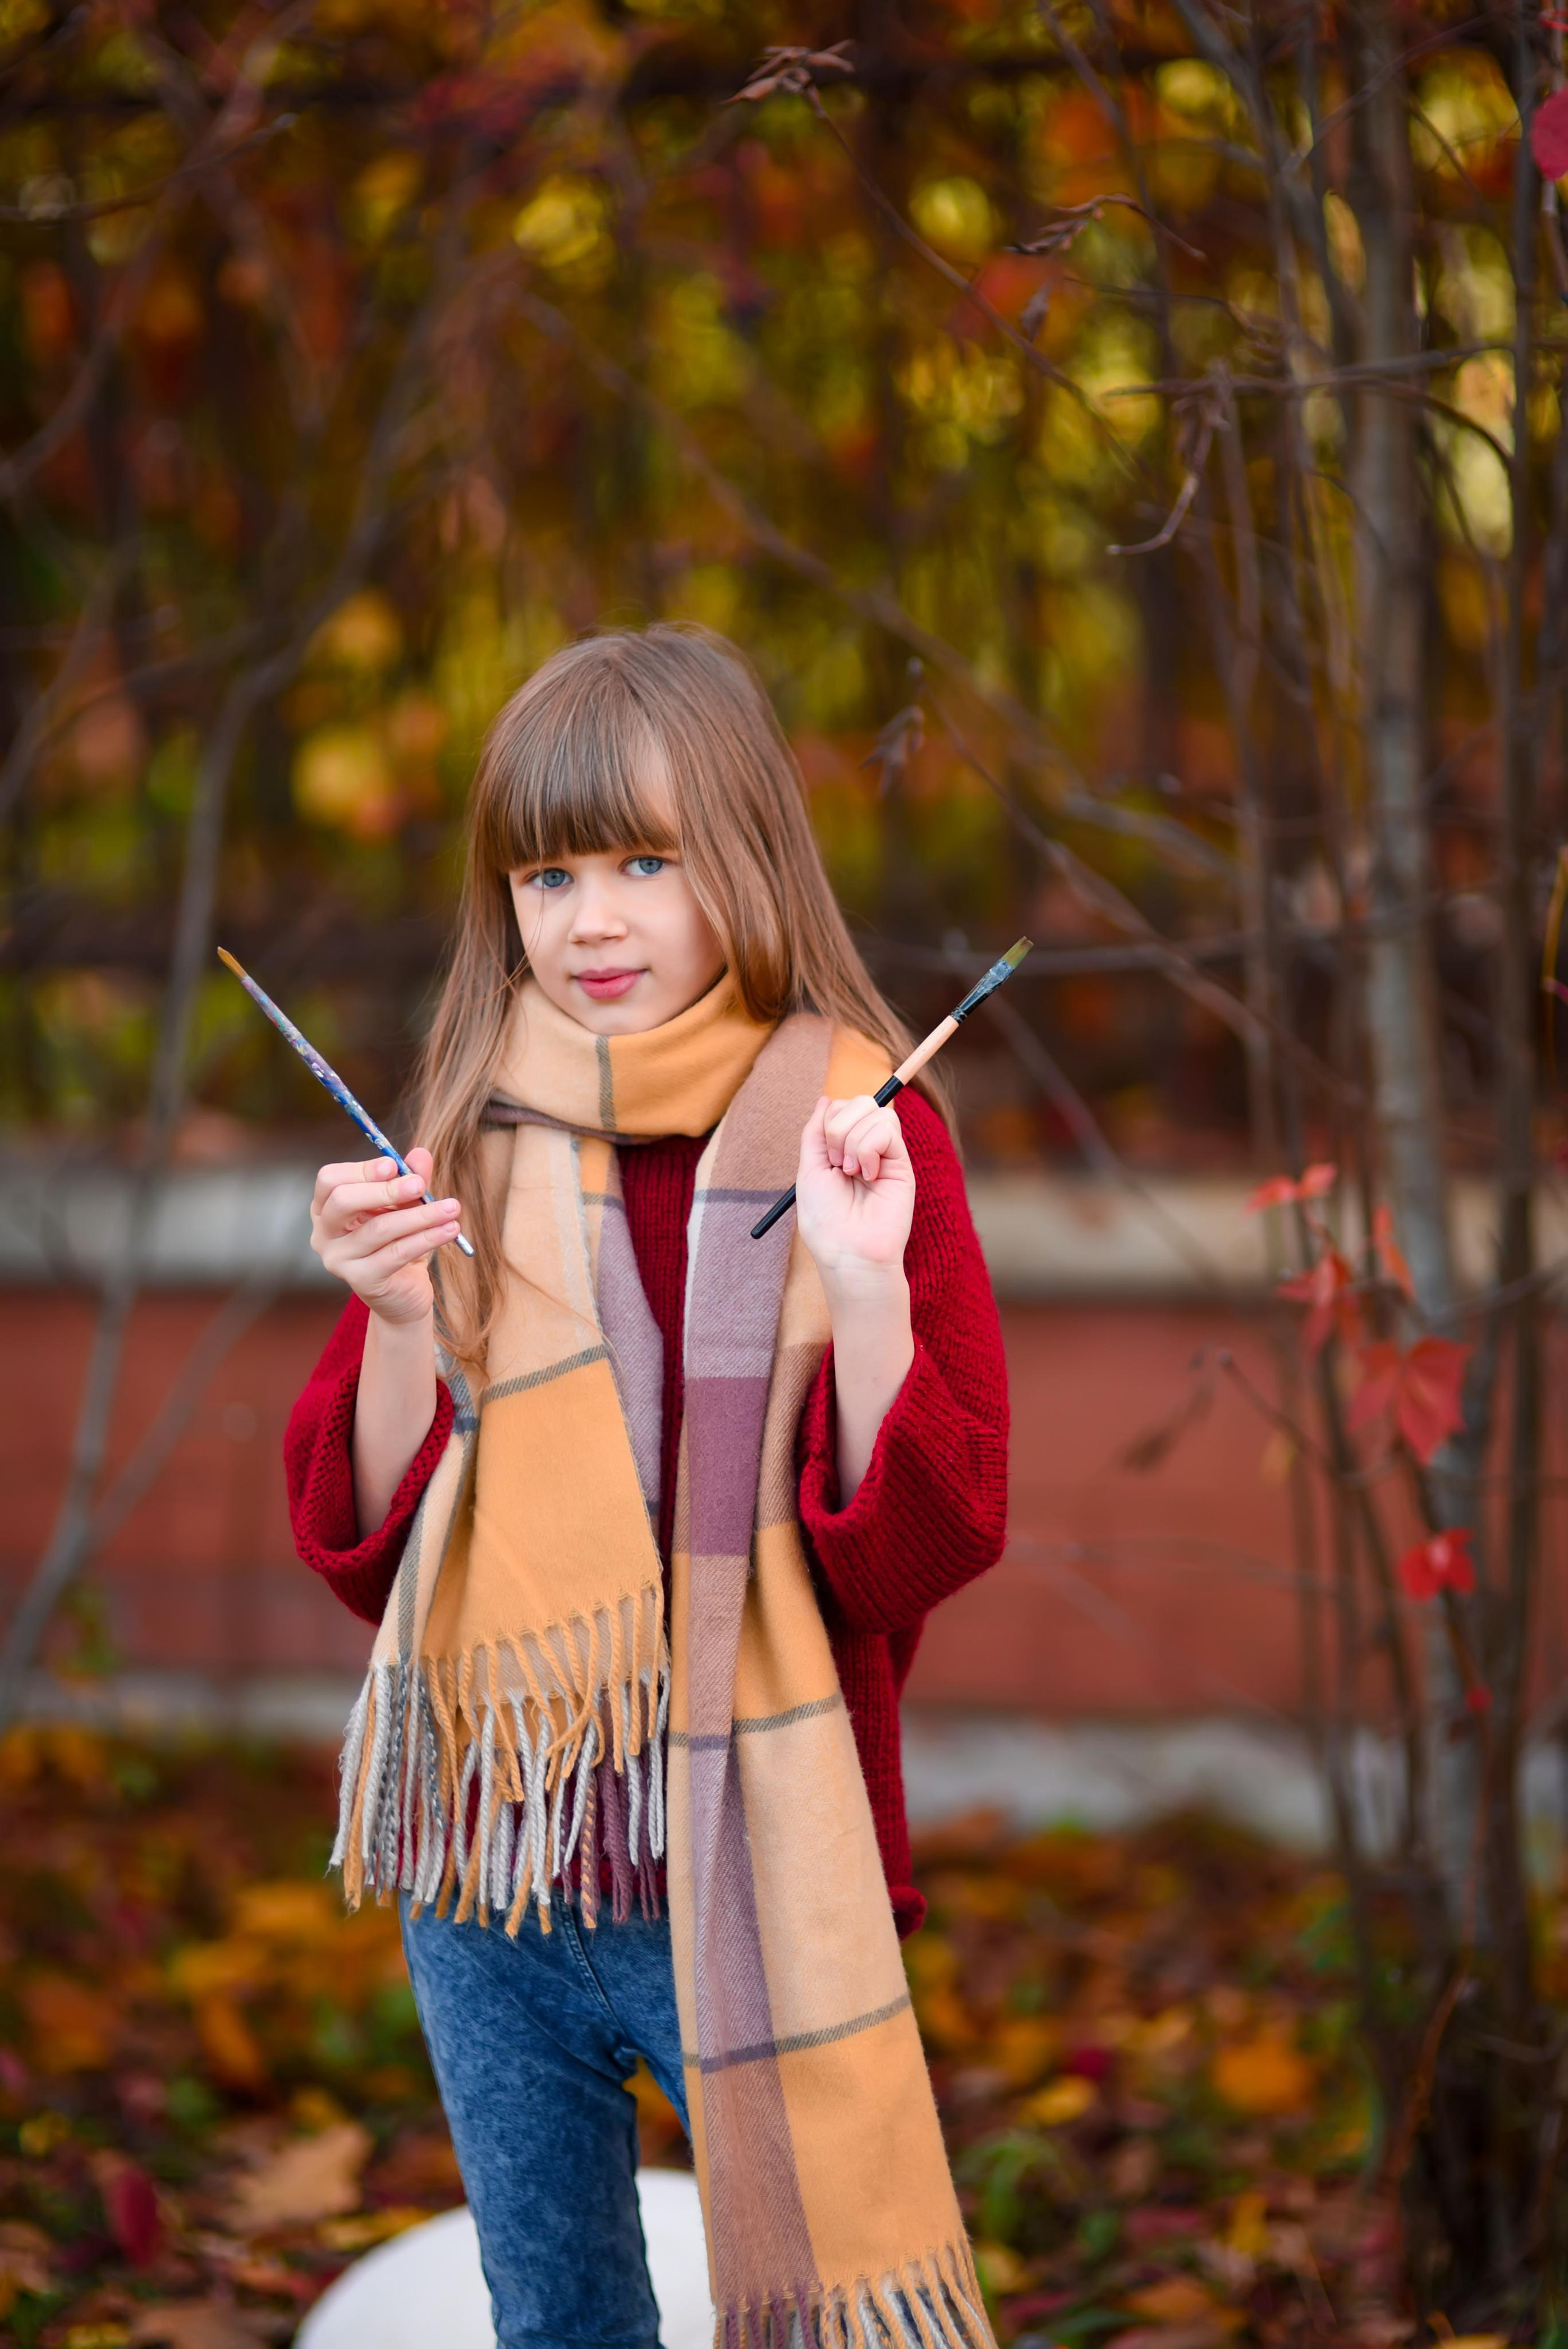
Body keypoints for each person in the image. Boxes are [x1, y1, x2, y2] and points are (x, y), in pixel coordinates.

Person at [284, 625, 1009, 2349]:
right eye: (546, 875)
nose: (589, 921)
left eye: (641, 864)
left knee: (826, 2322)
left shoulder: (863, 1134)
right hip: (499, 1869)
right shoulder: (473, 1135)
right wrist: (398, 1322)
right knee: (558, 2323)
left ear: (741, 859)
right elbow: (361, 1548)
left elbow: (918, 1548)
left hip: (756, 1871)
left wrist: (870, 1286)